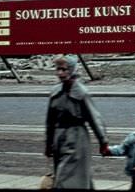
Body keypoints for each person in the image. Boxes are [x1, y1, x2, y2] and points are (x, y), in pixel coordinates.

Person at [45, 55, 109, 190]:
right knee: (77, 177)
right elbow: (50, 122)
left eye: (64, 69)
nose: (60, 73)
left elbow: (94, 118)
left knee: (65, 179)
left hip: (77, 140)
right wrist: (49, 143)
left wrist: (103, 141)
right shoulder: (55, 92)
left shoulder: (81, 93)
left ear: (72, 70)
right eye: (58, 69)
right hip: (59, 139)